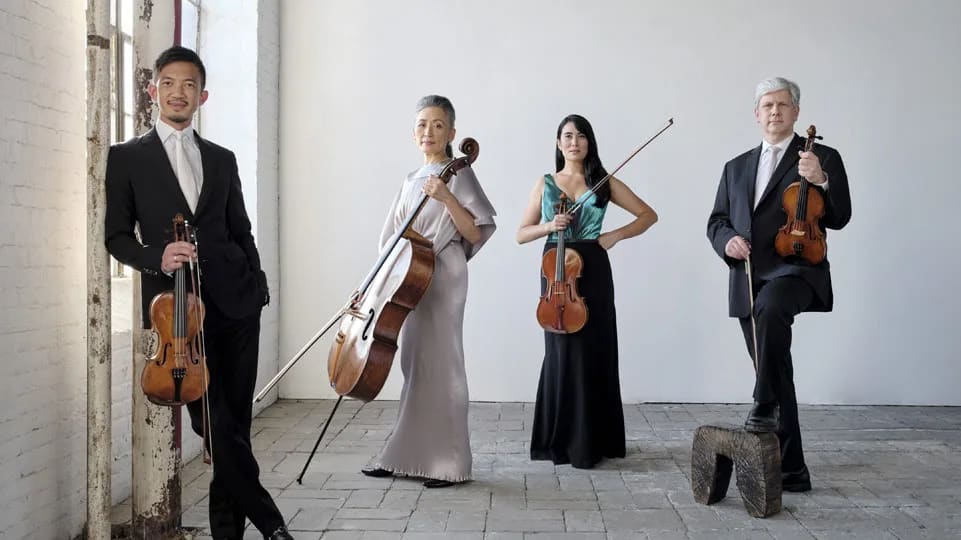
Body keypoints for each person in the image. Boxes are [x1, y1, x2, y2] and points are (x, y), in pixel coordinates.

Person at [104, 46, 293, 540]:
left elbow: (240, 230)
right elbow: (116, 236)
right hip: (176, 315)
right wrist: (156, 256)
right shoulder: (126, 158)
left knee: (236, 425)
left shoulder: (222, 159)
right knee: (215, 423)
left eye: (189, 85)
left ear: (202, 96)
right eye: (168, 83)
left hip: (237, 304)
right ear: (153, 91)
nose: (178, 92)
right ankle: (272, 524)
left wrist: (257, 284)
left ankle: (228, 534)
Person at [706, 76, 852, 492]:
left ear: (796, 112)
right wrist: (727, 241)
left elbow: (840, 216)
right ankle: (791, 470)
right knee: (775, 368)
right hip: (748, 276)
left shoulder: (822, 156)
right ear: (757, 114)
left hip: (797, 269)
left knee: (771, 311)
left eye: (783, 104)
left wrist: (822, 181)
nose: (775, 111)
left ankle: (762, 402)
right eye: (767, 105)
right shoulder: (735, 167)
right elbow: (716, 221)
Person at [360, 95, 496, 488]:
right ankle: (404, 456)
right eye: (422, 124)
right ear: (413, 132)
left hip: (444, 276)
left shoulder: (459, 175)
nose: (429, 132)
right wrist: (371, 285)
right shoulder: (410, 179)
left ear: (451, 133)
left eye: (438, 125)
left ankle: (450, 464)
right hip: (410, 276)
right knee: (415, 366)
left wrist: (447, 196)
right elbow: (391, 239)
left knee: (444, 364)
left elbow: (475, 232)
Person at [517, 114, 658, 469]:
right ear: (558, 143)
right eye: (567, 136)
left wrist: (615, 235)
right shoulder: (545, 183)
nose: (574, 142)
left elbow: (647, 215)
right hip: (556, 268)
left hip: (592, 267)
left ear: (589, 142)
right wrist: (550, 225)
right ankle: (560, 439)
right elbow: (521, 233)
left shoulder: (603, 182)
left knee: (594, 350)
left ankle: (593, 441)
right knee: (561, 351)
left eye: (581, 136)